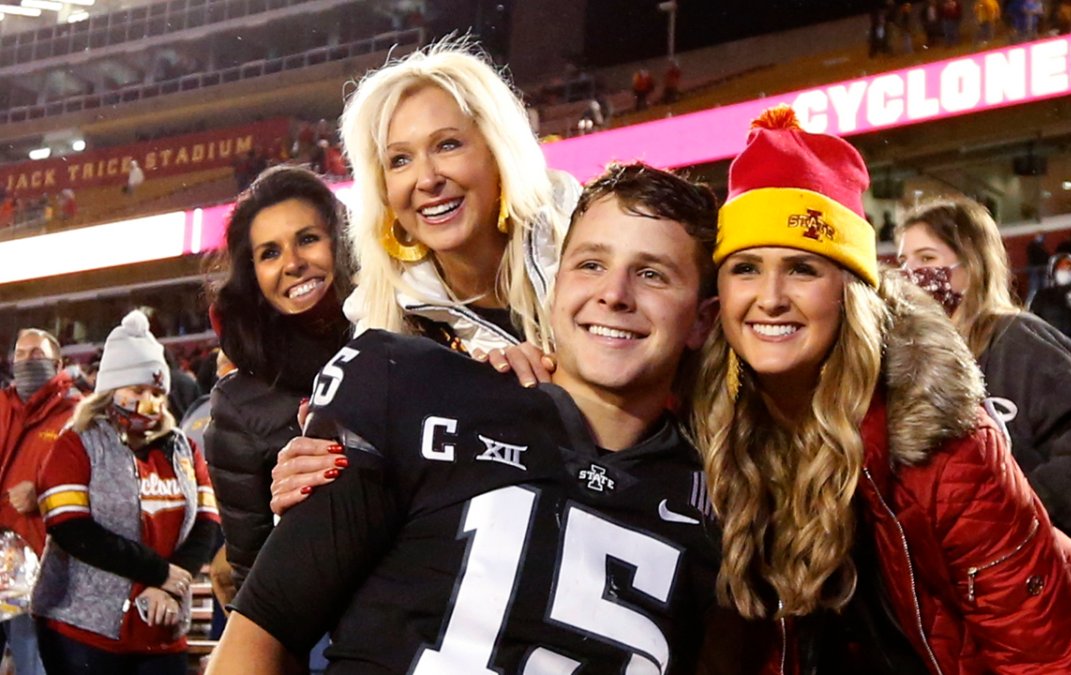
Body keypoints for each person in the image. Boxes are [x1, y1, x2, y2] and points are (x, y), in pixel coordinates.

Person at [692, 104, 1071, 673]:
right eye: (745, 267)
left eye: (803, 268)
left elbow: (1044, 656)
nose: (771, 296)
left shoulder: (941, 436)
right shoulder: (715, 418)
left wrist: (1031, 515)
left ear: (850, 292)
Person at [207, 163, 726, 674]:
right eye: (591, 264)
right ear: (556, 279)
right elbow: (258, 638)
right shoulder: (410, 385)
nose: (614, 294)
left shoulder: (724, 504)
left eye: (652, 274)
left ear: (703, 320)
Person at [897, 198, 1071, 559]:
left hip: (1039, 573)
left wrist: (1017, 513)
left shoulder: (1020, 340)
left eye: (927, 259)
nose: (910, 273)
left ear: (972, 263)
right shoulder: (910, 362)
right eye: (904, 261)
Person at [339, 40, 579, 352]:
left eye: (447, 145)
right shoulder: (383, 325)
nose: (426, 179)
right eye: (399, 160)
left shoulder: (584, 242)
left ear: (498, 151)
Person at [32, 310, 221, 675]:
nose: (148, 401)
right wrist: (156, 572)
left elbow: (206, 522)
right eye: (138, 390)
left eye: (156, 392)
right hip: (83, 627)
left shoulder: (183, 448)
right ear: (110, 391)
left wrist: (170, 584)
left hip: (163, 623)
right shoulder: (76, 443)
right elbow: (71, 528)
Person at [204, 166, 353, 593]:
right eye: (269, 253)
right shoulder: (238, 407)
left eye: (307, 239)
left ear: (340, 241)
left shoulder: (408, 336)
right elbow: (256, 581)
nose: (292, 264)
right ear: (253, 275)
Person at [0, 329, 80, 675]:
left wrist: (43, 491)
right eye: (21, 354)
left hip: (40, 563)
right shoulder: (2, 407)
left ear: (58, 363)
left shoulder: (76, 413)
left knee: (33, 663)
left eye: (36, 354)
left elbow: (92, 480)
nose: (27, 361)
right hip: (3, 560)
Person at [1029, 253, 1071, 357]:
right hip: (1049, 348)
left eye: (1070, 270)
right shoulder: (1041, 296)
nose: (1067, 272)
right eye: (1062, 269)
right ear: (1053, 270)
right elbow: (1033, 322)